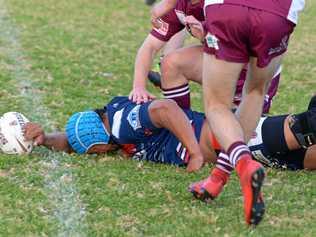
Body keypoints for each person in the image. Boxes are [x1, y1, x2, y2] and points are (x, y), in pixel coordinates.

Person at [192, 0, 305, 225]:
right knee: (255, 92)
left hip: (228, 9)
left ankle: (244, 163)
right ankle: (218, 178)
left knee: (217, 104)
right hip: (277, 15)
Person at [24, 95, 316, 173]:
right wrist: (45, 139)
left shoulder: (120, 127)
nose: (92, 156)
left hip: (226, 138)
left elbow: (164, 109)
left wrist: (195, 151)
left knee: (304, 128)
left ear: (101, 144)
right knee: (305, 160)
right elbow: (73, 141)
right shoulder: (107, 125)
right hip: (235, 148)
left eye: (91, 152)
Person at [131, 0, 281, 114]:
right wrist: (139, 87)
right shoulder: (179, 6)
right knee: (171, 62)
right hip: (222, 62)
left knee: (234, 132)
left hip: (254, 72)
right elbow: (149, 47)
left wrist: (205, 36)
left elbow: (237, 49)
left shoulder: (222, 6)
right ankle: (181, 123)